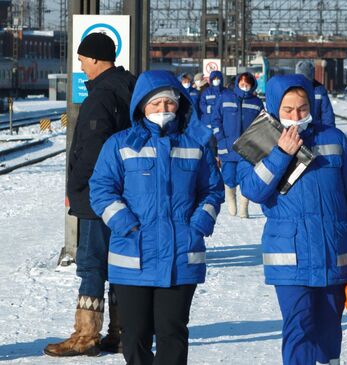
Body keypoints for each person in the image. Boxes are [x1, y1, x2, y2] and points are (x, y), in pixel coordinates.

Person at [89, 70, 224, 365]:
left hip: (180, 256)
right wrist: (125, 223)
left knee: (172, 332)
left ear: (180, 104)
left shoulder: (195, 144)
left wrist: (199, 224)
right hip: (133, 256)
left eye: (169, 103)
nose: (163, 110)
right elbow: (101, 189)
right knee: (134, 334)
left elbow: (212, 190)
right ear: (141, 106)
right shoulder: (120, 144)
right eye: (155, 104)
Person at [237, 74, 347, 365]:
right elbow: (252, 190)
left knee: (328, 330)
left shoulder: (333, 139)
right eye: (288, 110)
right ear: (275, 109)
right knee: (298, 329)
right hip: (290, 257)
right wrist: (281, 154)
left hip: (334, 250)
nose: (296, 116)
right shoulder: (262, 141)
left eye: (302, 108)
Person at [44, 32, 136, 357]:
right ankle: (122, 333)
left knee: (91, 264)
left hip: (99, 197)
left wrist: (77, 188)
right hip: (127, 194)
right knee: (119, 264)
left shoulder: (101, 96)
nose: (81, 66)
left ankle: (86, 335)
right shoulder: (130, 87)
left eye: (83, 59)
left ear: (96, 58)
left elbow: (92, 151)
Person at [213, 72, 264, 218]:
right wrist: (220, 138)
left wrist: (257, 142)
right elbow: (216, 119)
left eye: (247, 84)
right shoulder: (225, 97)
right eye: (242, 84)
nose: (245, 87)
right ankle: (231, 199)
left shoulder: (256, 103)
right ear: (237, 83)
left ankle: (244, 207)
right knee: (229, 177)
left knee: (246, 178)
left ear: (252, 85)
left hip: (248, 148)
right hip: (228, 146)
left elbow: (262, 124)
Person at [295, 60, 335, 127]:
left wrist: (329, 132)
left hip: (314, 131)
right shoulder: (320, 90)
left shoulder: (320, 90)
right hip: (300, 131)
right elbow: (327, 115)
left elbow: (327, 116)